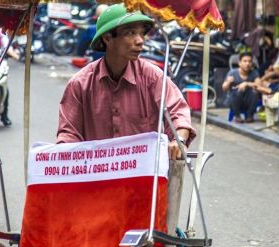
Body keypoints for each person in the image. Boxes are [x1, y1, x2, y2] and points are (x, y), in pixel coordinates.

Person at [56, 4, 195, 160]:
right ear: (108, 38)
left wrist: (179, 140)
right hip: (97, 176)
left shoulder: (153, 77)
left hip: (145, 175)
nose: (140, 41)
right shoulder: (80, 83)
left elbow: (178, 113)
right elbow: (69, 133)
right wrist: (65, 154)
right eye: (130, 33)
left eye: (142, 34)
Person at [222, 52, 261, 123]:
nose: (247, 64)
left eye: (249, 61)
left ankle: (250, 115)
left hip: (248, 101)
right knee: (237, 91)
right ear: (239, 63)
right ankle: (237, 116)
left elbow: (259, 85)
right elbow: (224, 88)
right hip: (235, 102)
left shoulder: (254, 73)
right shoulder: (232, 73)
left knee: (255, 92)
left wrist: (246, 83)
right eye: (245, 61)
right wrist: (228, 82)